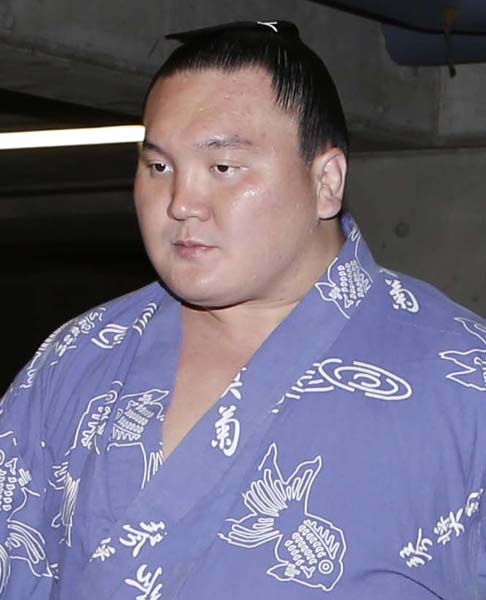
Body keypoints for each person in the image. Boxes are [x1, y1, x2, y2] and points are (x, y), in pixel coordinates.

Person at [0, 20, 485, 600]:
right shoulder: (76, 357)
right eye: (159, 167)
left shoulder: (463, 379)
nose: (180, 203)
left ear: (326, 182)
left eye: (223, 167)